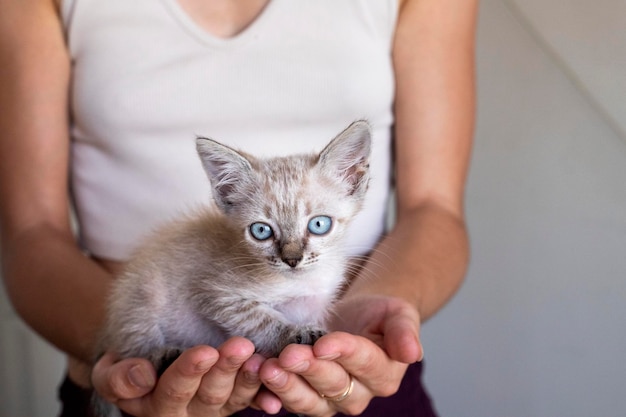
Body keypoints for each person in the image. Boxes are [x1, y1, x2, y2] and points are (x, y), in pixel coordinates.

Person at [0, 0, 476, 415]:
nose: (292, 253)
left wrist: (383, 306)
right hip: (132, 375)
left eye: (316, 225)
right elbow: (31, 231)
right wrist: (113, 350)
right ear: (227, 197)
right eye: (266, 232)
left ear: (354, 180)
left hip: (353, 372)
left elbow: (434, 208)